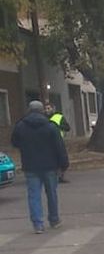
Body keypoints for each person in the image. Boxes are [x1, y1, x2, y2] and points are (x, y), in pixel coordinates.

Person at [11, 100, 70, 234]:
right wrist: (64, 164)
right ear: (42, 111)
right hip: (50, 165)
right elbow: (59, 147)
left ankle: (38, 224)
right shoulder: (50, 126)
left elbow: (14, 142)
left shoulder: (21, 126)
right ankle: (54, 220)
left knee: (34, 195)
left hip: (30, 165)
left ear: (29, 110)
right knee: (52, 194)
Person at [45, 103, 71, 182]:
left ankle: (61, 176)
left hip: (58, 140)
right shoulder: (43, 118)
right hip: (46, 141)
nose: (47, 110)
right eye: (45, 109)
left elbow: (67, 128)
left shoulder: (59, 117)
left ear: (53, 108)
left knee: (61, 158)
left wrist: (58, 126)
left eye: (48, 108)